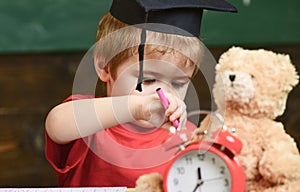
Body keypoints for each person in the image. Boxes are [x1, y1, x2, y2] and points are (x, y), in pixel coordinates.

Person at [45, 0, 237, 188]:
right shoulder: (90, 125)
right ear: (105, 65)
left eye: (178, 83)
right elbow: (57, 124)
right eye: (148, 80)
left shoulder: (186, 139)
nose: (164, 93)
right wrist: (135, 107)